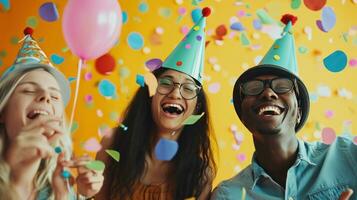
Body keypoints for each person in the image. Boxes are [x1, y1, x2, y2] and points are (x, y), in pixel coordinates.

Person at [211, 14, 357, 200]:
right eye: (254, 88)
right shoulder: (227, 195)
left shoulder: (347, 156)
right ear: (243, 116)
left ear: (299, 111)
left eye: (282, 86)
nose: (267, 93)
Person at [95, 7, 217, 200]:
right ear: (150, 94)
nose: (176, 93)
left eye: (188, 88)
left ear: (197, 106)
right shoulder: (113, 145)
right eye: (166, 83)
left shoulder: (200, 173)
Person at [0, 27, 104, 200]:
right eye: (29, 90)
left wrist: (71, 196)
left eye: (55, 96)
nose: (46, 97)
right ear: (2, 112)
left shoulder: (58, 185)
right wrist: (16, 183)